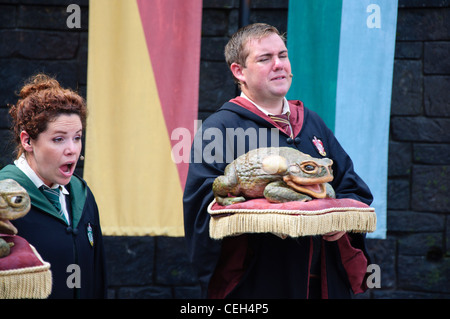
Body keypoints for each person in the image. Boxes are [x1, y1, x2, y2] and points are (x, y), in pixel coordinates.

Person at [183, 23, 373, 299]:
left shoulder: (312, 123)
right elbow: (203, 206)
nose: (279, 65)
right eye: (264, 58)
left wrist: (338, 221)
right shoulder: (218, 129)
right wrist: (270, 212)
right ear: (239, 72)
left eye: (282, 55)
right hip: (260, 284)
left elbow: (351, 187)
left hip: (323, 284)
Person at [0, 74, 107, 298]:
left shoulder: (82, 195)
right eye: (59, 139)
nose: (72, 150)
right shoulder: (4, 199)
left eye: (77, 137)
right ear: (27, 141)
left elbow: (97, 278)